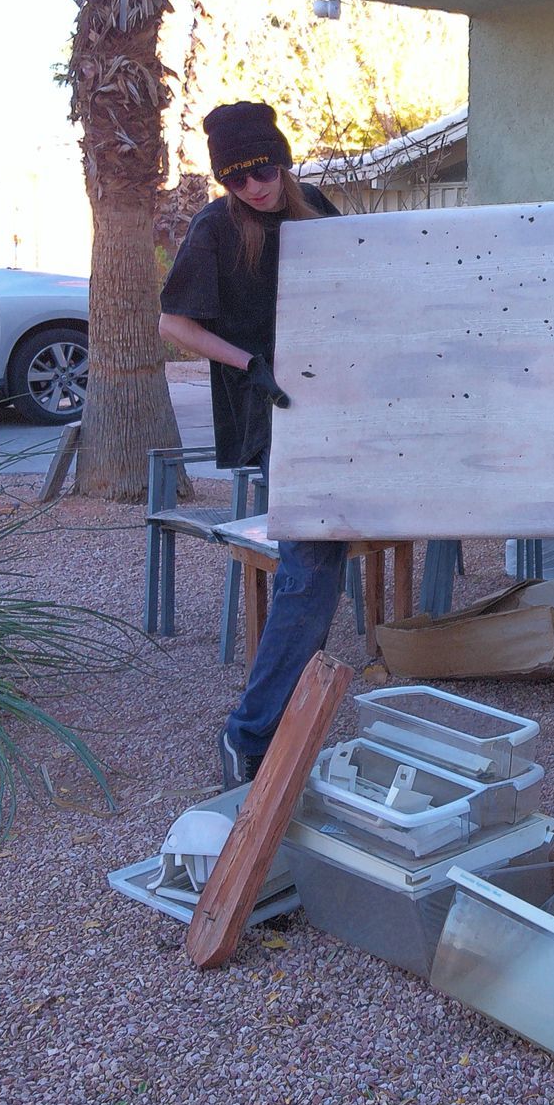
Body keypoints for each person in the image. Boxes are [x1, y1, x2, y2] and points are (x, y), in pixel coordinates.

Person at [159, 101, 346, 788]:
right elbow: (174, 321)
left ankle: (290, 720)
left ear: (283, 159)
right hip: (273, 408)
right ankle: (251, 734)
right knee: (313, 560)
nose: (255, 188)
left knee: (324, 563)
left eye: (263, 170)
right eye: (237, 180)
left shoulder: (315, 207)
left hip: (338, 402)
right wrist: (249, 364)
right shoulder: (215, 228)